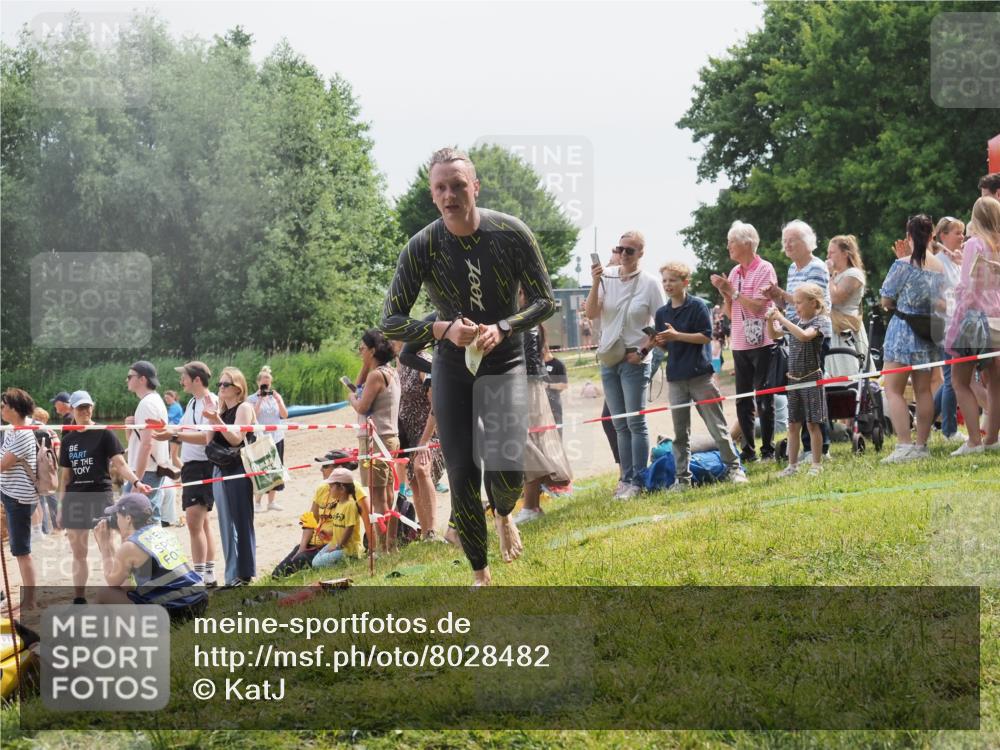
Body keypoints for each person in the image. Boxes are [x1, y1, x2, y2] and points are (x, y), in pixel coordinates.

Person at [380, 147, 555, 586]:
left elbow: (545, 301)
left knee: (507, 468)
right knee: (461, 473)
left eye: (458, 185)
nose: (450, 195)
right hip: (452, 366)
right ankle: (481, 576)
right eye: (441, 187)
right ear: (432, 194)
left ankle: (503, 512)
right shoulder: (422, 246)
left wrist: (503, 326)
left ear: (475, 187)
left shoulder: (511, 232)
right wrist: (441, 329)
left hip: (504, 359)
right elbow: (390, 321)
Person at [585, 230, 665, 499]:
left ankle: (638, 480)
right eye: (620, 249)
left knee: (635, 422)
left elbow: (661, 326)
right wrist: (595, 282)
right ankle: (626, 478)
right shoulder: (606, 276)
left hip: (634, 359)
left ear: (641, 253)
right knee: (619, 423)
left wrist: (643, 352)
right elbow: (591, 313)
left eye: (630, 250)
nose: (624, 254)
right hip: (609, 358)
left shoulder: (650, 283)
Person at [654, 262, 747, 490]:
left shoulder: (697, 306)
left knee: (718, 427)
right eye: (664, 280)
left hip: (700, 376)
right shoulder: (661, 313)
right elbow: (667, 346)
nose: (667, 284)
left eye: (672, 280)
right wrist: (660, 342)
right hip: (676, 378)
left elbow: (705, 336)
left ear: (685, 282)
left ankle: (734, 469)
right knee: (679, 433)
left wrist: (677, 335)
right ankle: (682, 479)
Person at [57, 390, 152, 604]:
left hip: (100, 496)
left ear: (92, 407)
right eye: (80, 408)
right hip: (74, 500)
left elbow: (120, 464)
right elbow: (65, 477)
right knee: (78, 552)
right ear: (72, 409)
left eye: (88, 407)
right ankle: (79, 598)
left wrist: (136, 482)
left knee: (106, 546)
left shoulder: (104, 433)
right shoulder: (68, 438)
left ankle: (122, 590)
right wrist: (61, 508)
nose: (85, 411)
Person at [879, 214, 946, 463]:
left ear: (909, 236)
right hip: (927, 331)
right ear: (932, 236)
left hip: (903, 330)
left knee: (893, 389)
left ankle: (904, 444)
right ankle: (921, 445)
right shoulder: (939, 267)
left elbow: (886, 299)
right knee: (923, 390)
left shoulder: (902, 264)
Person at [763, 220, 832, 460]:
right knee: (799, 393)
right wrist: (777, 298)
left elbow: (813, 302)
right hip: (794, 331)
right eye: (785, 241)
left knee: (812, 390)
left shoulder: (817, 267)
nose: (787, 245)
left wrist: (783, 296)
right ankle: (805, 449)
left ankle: (820, 449)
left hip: (812, 334)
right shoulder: (793, 268)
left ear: (807, 242)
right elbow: (795, 305)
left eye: (792, 240)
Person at [710, 221, 778, 463]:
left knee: (764, 398)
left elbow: (760, 307)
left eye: (732, 242)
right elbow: (731, 313)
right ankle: (748, 451)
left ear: (747, 243)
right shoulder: (734, 273)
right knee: (743, 400)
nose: (728, 246)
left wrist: (734, 293)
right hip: (740, 343)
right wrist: (726, 294)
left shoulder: (765, 268)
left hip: (763, 342)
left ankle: (768, 450)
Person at [153, 361, 220, 587]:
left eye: (184, 377)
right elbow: (181, 428)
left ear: (196, 379)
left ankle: (200, 575)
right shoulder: (192, 402)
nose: (181, 380)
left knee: (194, 523)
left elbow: (205, 438)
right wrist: (165, 429)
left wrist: (173, 436)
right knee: (203, 522)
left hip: (203, 464)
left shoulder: (210, 402)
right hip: (192, 465)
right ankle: (208, 573)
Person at [93, 493, 207, 622]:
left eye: (118, 516)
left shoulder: (130, 547)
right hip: (199, 600)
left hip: (175, 609)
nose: (116, 521)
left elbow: (112, 582)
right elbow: (126, 584)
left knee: (104, 593)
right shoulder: (163, 532)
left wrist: (105, 546)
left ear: (128, 518)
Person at [944, 196, 1000, 455]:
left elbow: (967, 286)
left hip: (973, 317)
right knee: (995, 382)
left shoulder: (974, 244)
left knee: (959, 380)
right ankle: (992, 439)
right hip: (997, 316)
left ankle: (974, 441)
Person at [767, 285, 833, 476]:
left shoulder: (821, 321)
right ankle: (792, 466)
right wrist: (770, 320)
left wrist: (782, 319)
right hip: (793, 380)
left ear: (813, 303)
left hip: (811, 379)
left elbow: (804, 336)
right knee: (793, 424)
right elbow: (774, 335)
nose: (795, 306)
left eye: (799, 302)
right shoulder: (795, 321)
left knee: (812, 424)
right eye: (794, 303)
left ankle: (816, 464)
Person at [201, 367, 257, 586]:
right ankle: (232, 575)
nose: (221, 388)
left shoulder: (245, 407)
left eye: (226, 384)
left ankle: (244, 574)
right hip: (220, 468)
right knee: (225, 524)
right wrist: (211, 416)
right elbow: (209, 443)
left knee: (241, 520)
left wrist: (216, 418)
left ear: (238, 388)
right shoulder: (221, 412)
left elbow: (236, 438)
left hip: (238, 467)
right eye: (220, 384)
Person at [348, 329, 401, 553]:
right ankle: (391, 545)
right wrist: (365, 363)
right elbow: (360, 384)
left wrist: (351, 398)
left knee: (378, 496)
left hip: (375, 440)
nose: (360, 352)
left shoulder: (376, 376)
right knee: (388, 494)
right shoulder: (390, 371)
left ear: (372, 350)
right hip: (390, 437)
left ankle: (381, 549)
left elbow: (362, 406)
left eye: (362, 348)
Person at [514, 322, 573, 524]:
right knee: (528, 446)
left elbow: (527, 363)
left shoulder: (527, 324)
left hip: (526, 386)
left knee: (529, 446)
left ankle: (531, 507)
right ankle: (532, 505)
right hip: (526, 385)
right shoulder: (525, 323)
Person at [397, 319, 445, 541]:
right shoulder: (402, 364)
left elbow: (436, 405)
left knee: (422, 471)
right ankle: (425, 532)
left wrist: (425, 440)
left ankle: (433, 529)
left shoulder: (424, 363)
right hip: (408, 433)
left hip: (428, 431)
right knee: (414, 480)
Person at [0, 388, 39, 615]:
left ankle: (30, 600)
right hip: (7, 492)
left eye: (3, 406)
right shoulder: (12, 431)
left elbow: (2, 464)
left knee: (21, 550)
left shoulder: (23, 433)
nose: (1, 410)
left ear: (14, 409)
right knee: (17, 548)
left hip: (18, 498)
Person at [932, 216, 967, 443]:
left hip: (960, 327)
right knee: (952, 379)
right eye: (957, 232)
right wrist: (955, 311)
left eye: (963, 232)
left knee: (950, 379)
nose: (962, 237)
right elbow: (934, 299)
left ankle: (924, 419)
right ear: (943, 235)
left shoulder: (957, 261)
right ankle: (949, 431)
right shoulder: (937, 263)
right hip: (945, 328)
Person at [124, 360, 170, 524]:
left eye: (130, 376)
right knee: (147, 515)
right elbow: (136, 443)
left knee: (141, 518)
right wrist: (129, 427)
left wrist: (137, 480)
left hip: (146, 470)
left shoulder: (147, 404)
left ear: (142, 379)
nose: (127, 380)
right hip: (150, 468)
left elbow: (147, 444)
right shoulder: (153, 401)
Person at [825, 235, 869, 378]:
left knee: (848, 374)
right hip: (832, 330)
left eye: (832, 252)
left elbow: (835, 298)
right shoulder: (835, 275)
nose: (828, 256)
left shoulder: (854, 274)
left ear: (845, 253)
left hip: (846, 331)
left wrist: (829, 275)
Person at [248, 365, 289, 513]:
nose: (266, 386)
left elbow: (284, 415)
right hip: (261, 438)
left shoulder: (275, 397)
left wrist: (278, 400)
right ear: (258, 383)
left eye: (268, 383)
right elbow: (252, 417)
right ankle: (257, 502)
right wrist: (260, 399)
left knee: (276, 469)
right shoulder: (252, 399)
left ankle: (272, 501)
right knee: (262, 469)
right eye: (264, 384)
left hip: (277, 437)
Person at [311, 467, 366, 568]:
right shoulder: (338, 504)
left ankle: (350, 560)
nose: (329, 489)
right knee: (315, 560)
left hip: (348, 549)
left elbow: (349, 529)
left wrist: (338, 547)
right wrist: (327, 533)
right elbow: (339, 525)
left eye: (331, 487)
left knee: (316, 563)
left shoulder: (350, 505)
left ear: (342, 488)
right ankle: (338, 561)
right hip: (336, 543)